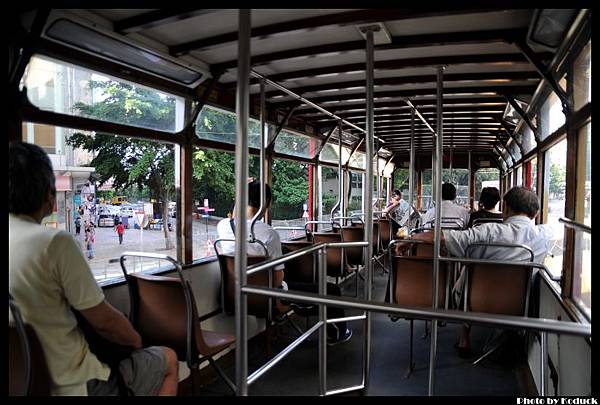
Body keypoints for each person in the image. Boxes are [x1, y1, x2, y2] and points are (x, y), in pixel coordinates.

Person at [9, 142, 178, 396]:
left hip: (21, 383)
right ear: (48, 194)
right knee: (169, 359)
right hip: (73, 383)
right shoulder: (55, 242)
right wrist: (135, 340)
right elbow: (105, 322)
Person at [400, 186, 553, 356]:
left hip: (474, 301)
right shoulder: (544, 235)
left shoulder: (488, 232)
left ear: (506, 208)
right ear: (536, 213)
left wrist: (412, 238)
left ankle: (464, 339)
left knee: (468, 273)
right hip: (519, 305)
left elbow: (444, 237)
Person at [217, 181, 352, 345]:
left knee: (290, 262)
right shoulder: (269, 233)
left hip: (234, 293)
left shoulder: (223, 226)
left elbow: (236, 217)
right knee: (331, 291)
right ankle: (338, 333)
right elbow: (277, 280)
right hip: (267, 296)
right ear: (267, 203)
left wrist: (241, 191)